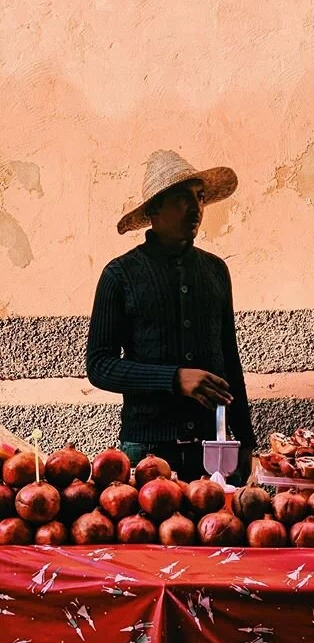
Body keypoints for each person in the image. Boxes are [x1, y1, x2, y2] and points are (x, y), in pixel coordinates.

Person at [86, 149, 256, 484]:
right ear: (154, 210)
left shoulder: (215, 271)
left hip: (212, 449)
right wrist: (174, 378)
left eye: (200, 197)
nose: (196, 208)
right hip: (146, 450)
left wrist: (247, 440)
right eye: (182, 198)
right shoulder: (120, 275)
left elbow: (230, 362)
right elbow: (100, 366)